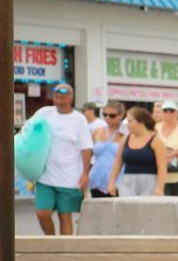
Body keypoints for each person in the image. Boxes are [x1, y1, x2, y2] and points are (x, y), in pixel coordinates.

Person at [27, 83, 94, 235]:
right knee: (42, 213)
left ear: (71, 98)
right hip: (46, 176)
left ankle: (64, 249)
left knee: (65, 216)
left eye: (63, 96)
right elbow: (28, 129)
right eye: (56, 96)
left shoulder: (79, 120)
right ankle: (52, 241)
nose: (59, 100)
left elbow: (86, 149)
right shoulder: (45, 113)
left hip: (69, 178)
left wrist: (85, 174)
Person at [108, 108, 161, 197]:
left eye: (130, 122)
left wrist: (160, 188)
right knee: (127, 209)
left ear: (140, 122)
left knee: (145, 210)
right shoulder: (125, 139)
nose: (127, 125)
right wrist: (111, 182)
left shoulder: (155, 141)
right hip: (128, 181)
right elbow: (118, 162)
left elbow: (161, 167)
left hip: (150, 181)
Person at [87, 100, 125, 199]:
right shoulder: (97, 131)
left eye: (112, 115)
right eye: (105, 115)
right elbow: (88, 154)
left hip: (118, 180)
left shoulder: (126, 133)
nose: (107, 118)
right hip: (97, 178)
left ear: (121, 115)